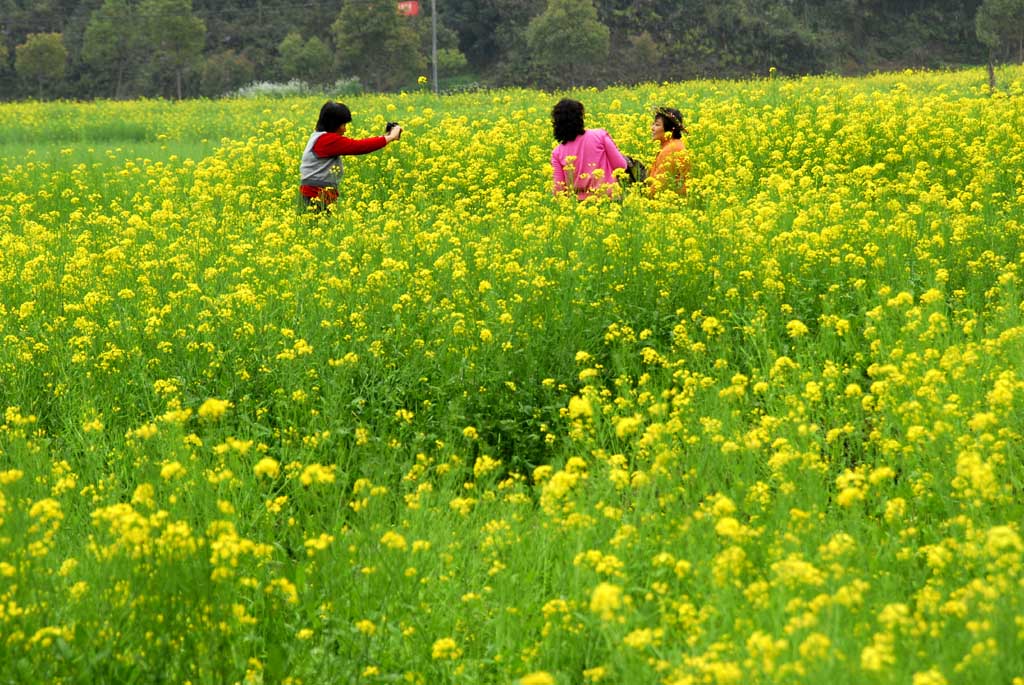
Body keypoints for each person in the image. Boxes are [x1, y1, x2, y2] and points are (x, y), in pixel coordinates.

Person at [299, 101, 402, 211]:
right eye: (343, 125)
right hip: (316, 196)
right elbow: (358, 146)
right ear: (333, 124)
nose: (345, 129)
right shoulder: (326, 140)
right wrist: (390, 137)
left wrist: (387, 136)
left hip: (316, 194)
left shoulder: (318, 137)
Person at [550, 98, 628, 200]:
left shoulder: (557, 152)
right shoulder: (600, 135)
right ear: (580, 118)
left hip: (579, 205)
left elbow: (559, 188)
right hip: (609, 198)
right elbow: (621, 166)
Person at [648, 106, 689, 196]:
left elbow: (660, 185)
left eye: (657, 125)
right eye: (653, 124)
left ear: (671, 129)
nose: (652, 128)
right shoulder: (672, 145)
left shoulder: (670, 150)